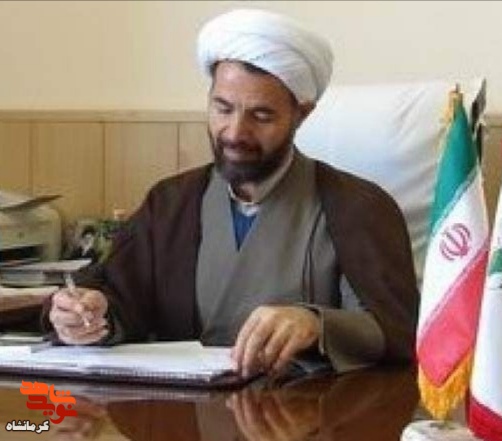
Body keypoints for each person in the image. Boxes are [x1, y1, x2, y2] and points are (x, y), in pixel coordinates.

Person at [45, 8, 419, 378]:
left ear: (302, 114)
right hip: (179, 409)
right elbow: (118, 297)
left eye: (261, 116)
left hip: (307, 411)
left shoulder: (358, 207)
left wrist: (317, 324)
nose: (235, 132)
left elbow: (395, 329)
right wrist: (84, 315)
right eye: (222, 109)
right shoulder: (171, 202)